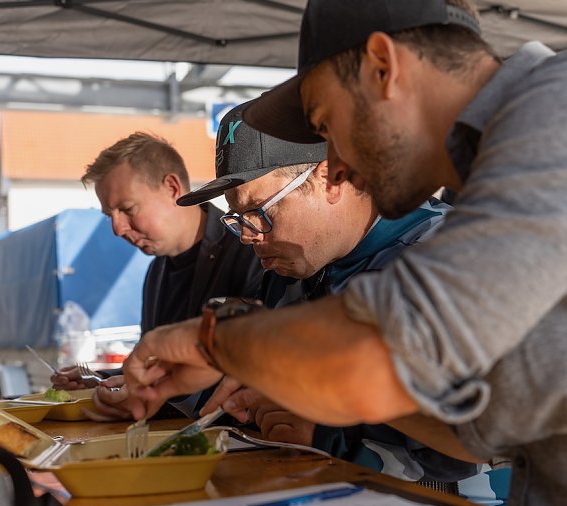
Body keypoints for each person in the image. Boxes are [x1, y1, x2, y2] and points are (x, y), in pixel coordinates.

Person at [123, 1, 567, 506]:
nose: (335, 163)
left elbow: (375, 358)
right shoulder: (503, 181)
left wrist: (213, 343)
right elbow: (480, 421)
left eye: (326, 122)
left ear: (381, 67)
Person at [174, 103, 471, 485]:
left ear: (331, 179)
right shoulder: (296, 266)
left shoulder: (446, 258)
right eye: (237, 219)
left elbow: (476, 452)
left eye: (259, 211)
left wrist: (327, 440)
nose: (249, 236)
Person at [51, 132, 262, 419]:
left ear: (172, 187)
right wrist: (103, 378)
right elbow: (162, 367)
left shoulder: (249, 251)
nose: (117, 228)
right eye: (109, 215)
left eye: (127, 209)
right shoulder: (157, 270)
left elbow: (256, 369)